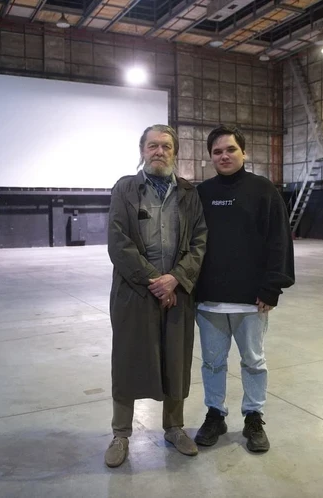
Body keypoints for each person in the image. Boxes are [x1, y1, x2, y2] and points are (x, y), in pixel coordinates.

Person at [105, 124, 208, 468]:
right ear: (142, 151)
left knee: (176, 361)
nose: (159, 152)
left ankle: (174, 427)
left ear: (175, 153)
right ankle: (121, 434)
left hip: (177, 293)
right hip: (135, 293)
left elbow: (199, 241)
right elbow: (118, 242)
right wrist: (155, 282)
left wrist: (175, 279)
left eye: (166, 146)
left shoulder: (189, 193)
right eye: (152, 146)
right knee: (127, 361)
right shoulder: (125, 189)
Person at [193, 124, 295, 453]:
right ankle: (215, 414)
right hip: (209, 301)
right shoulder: (201, 194)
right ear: (210, 157)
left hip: (252, 300)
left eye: (230, 149)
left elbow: (280, 240)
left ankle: (253, 416)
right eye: (217, 151)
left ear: (244, 152)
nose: (224, 156)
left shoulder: (263, 190)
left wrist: (272, 287)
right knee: (212, 363)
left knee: (253, 361)